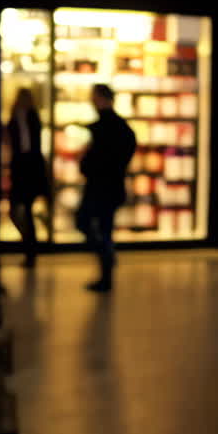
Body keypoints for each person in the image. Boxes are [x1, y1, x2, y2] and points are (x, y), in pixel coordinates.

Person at [76, 84, 136, 292]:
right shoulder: (120, 126)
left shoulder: (103, 127)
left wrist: (89, 165)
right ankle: (107, 264)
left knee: (88, 222)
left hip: (100, 185)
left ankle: (106, 262)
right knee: (104, 228)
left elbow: (94, 157)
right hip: (111, 184)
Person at [7, 88, 49, 267]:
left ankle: (30, 250)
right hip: (21, 169)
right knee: (16, 210)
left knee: (25, 210)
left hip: (29, 170)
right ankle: (29, 246)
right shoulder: (17, 118)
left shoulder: (31, 117)